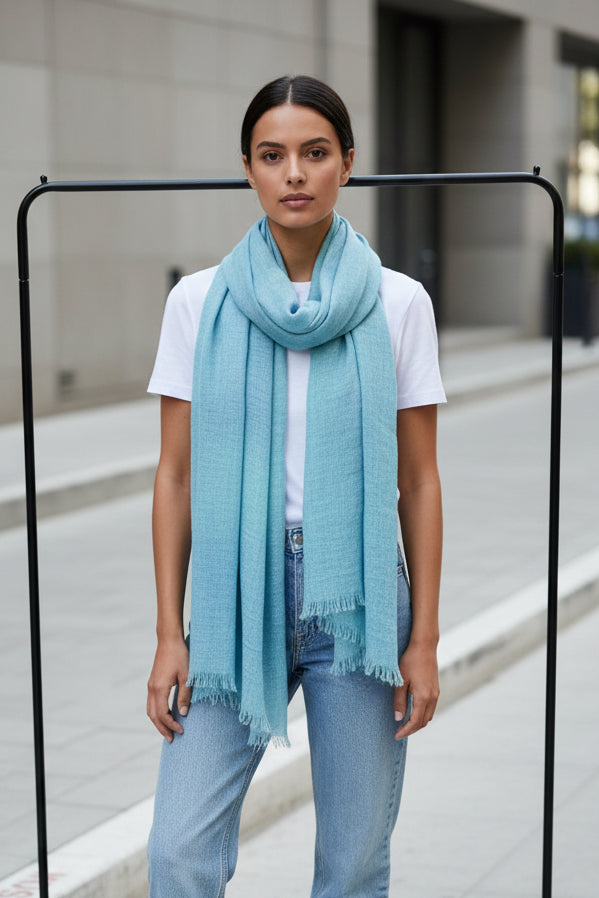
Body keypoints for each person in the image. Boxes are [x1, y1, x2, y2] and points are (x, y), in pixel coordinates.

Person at [145, 74, 445, 898]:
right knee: (177, 852)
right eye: (271, 156)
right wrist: (169, 632)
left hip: (358, 599)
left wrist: (422, 639)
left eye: (314, 153)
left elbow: (419, 480)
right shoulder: (199, 302)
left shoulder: (396, 302)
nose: (294, 174)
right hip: (236, 590)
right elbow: (174, 476)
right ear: (247, 167)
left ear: (346, 162)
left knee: (352, 862)